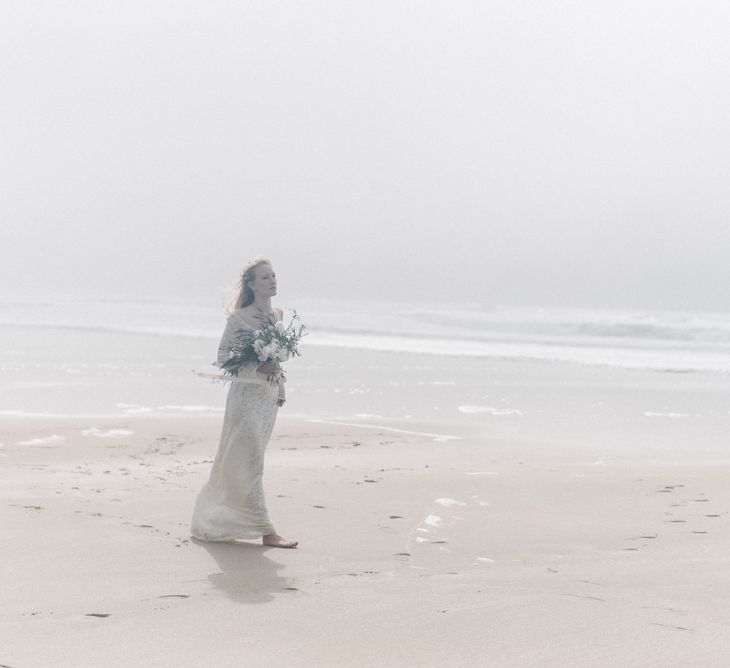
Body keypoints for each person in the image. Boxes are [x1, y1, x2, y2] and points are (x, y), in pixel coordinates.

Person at [190, 256, 298, 548]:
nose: (272, 281)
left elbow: (276, 358)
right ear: (251, 285)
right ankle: (267, 531)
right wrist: (255, 366)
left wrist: (281, 388)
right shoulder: (238, 319)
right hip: (245, 398)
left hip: (268, 397)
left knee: (245, 461)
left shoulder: (277, 315)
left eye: (273, 276)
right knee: (250, 461)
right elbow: (225, 357)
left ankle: (217, 517)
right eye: (265, 277)